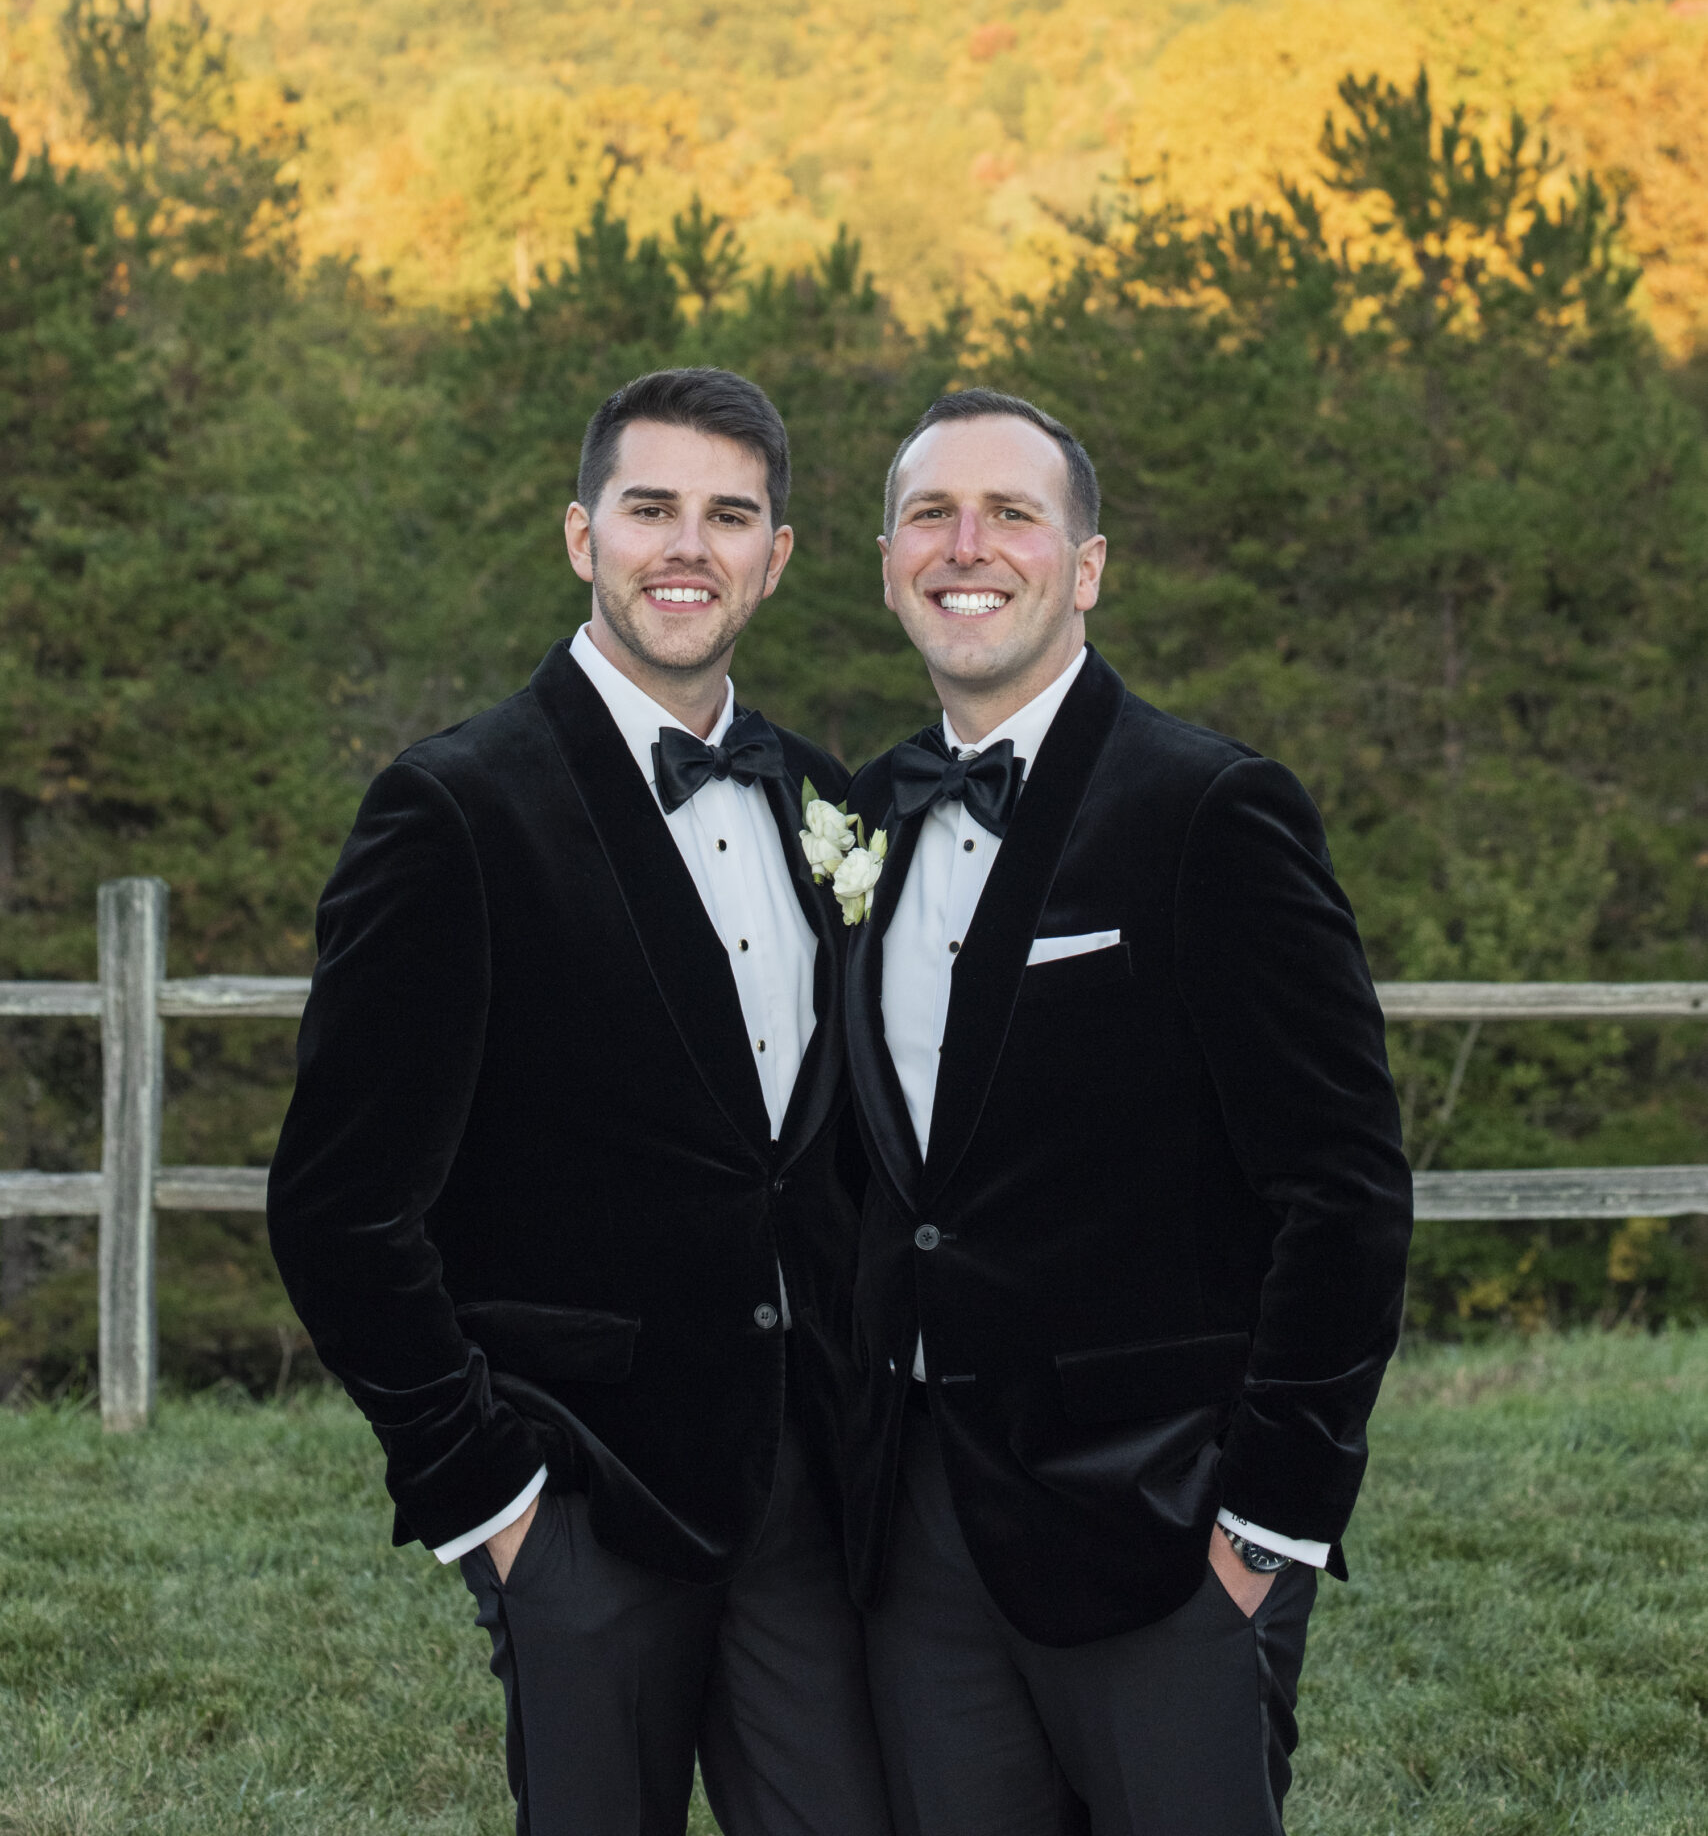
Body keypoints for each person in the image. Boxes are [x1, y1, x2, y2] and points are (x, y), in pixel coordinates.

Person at [268, 366, 893, 1836]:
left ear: (778, 558)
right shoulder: (455, 810)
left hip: (802, 1478)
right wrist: (489, 1498)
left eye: (729, 516)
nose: (689, 546)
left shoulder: (821, 795)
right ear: (579, 537)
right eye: (651, 508)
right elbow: (341, 1206)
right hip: (578, 1490)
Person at [833, 388, 1412, 1836]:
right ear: (888, 559)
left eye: (1013, 514)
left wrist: (1270, 1517)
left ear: (1085, 566)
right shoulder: (865, 819)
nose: (969, 546)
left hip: (1163, 1528)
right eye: (931, 515)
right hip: (918, 1534)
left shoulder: (1210, 809)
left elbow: (1342, 1187)